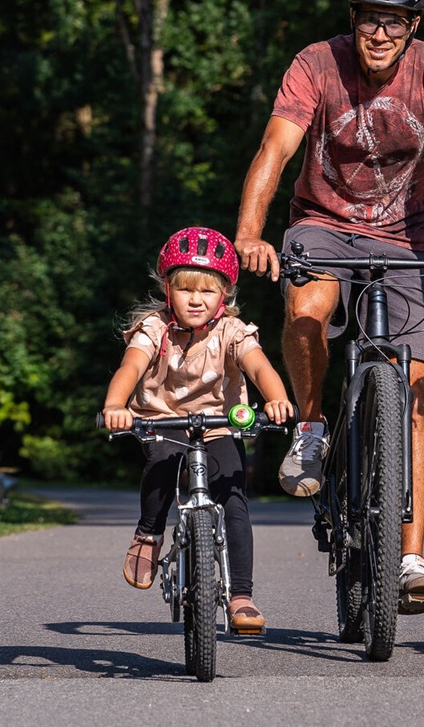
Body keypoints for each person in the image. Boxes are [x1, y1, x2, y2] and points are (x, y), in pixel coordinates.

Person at [234, 0, 424, 615]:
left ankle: (411, 553)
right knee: (309, 305)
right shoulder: (316, 65)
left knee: (416, 384)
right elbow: (275, 150)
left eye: (393, 23)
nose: (380, 35)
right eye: (369, 20)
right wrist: (250, 234)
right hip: (321, 223)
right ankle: (310, 425)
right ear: (353, 20)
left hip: (408, 237)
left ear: (413, 25)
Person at [102, 226, 293, 634]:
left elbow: (260, 366)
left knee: (235, 500)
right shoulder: (155, 328)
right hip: (163, 421)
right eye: (186, 289)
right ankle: (149, 533)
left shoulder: (232, 331)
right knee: (163, 466)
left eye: (207, 291)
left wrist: (276, 398)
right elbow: (130, 367)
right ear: (168, 290)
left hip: (219, 425)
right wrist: (115, 405)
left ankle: (241, 594)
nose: (195, 299)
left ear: (224, 296)